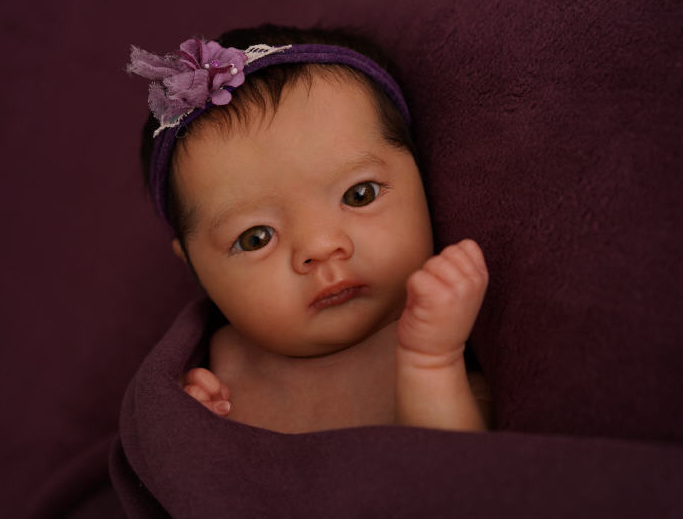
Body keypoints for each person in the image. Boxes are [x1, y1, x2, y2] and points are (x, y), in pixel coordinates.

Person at [128, 24, 492, 434]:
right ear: (195, 268)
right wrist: (189, 434)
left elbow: (462, 467)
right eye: (256, 238)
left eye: (359, 195)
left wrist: (433, 364)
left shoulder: (438, 334)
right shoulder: (204, 375)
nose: (320, 247)